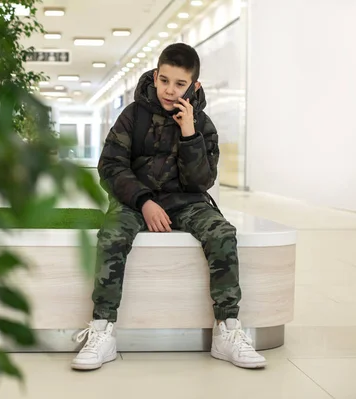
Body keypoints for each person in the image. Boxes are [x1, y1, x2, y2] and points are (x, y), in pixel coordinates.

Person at [71, 43, 266, 371]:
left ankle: (227, 331)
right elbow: (111, 167)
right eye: (164, 81)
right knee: (111, 235)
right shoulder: (132, 115)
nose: (169, 90)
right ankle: (102, 330)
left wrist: (189, 134)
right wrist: (144, 200)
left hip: (186, 202)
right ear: (155, 75)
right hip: (134, 201)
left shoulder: (204, 125)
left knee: (222, 233)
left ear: (195, 86)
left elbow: (201, 182)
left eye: (180, 84)